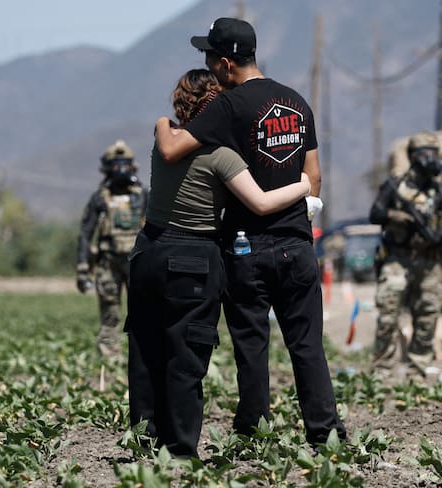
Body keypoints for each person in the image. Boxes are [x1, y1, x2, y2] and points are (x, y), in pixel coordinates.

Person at [154, 17, 346, 446]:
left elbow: (172, 150)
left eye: (209, 59)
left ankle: (254, 430)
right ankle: (324, 431)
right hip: (297, 245)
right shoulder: (297, 102)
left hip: (246, 247)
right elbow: (313, 176)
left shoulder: (229, 105)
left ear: (225, 64)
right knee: (307, 344)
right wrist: (298, 223)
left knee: (251, 345)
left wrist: (162, 125)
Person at [127, 68, 313, 458]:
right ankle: (179, 450)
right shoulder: (222, 156)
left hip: (148, 251)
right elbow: (261, 203)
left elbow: (166, 131)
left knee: (145, 350)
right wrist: (304, 185)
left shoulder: (165, 135)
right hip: (192, 257)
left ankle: (144, 442)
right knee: (186, 353)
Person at [369, 131, 442, 378]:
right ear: (412, 156)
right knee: (388, 315)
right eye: (425, 153)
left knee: (428, 315)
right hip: (397, 259)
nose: (431, 158)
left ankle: (417, 370)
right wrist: (397, 216)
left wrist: (439, 236)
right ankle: (382, 371)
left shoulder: (439, 191)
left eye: (434, 153)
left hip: (429, 260)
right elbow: (375, 214)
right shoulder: (394, 186)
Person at [76, 140, 148, 357]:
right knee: (110, 313)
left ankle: (143, 358)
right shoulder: (99, 197)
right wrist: (82, 269)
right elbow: (85, 233)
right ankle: (109, 359)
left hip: (139, 262)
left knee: (144, 313)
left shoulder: (143, 195)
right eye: (116, 164)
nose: (121, 169)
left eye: (124, 164)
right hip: (109, 263)